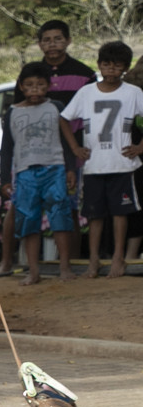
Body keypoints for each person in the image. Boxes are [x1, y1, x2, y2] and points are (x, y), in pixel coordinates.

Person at [61, 41, 143, 278]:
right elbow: (64, 118)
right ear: (98, 65)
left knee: (120, 213)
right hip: (93, 165)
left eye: (117, 66)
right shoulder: (86, 92)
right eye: (106, 64)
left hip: (122, 164)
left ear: (125, 68)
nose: (111, 70)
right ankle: (93, 261)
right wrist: (75, 147)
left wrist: (139, 147)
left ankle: (119, 258)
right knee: (94, 214)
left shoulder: (133, 93)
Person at [4, 62, 83, 285]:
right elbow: (7, 147)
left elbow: (67, 142)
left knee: (61, 216)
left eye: (40, 85)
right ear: (21, 86)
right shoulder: (13, 111)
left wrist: (70, 168)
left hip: (55, 167)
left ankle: (65, 266)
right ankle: (33, 270)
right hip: (25, 172)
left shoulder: (56, 107)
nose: (35, 90)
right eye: (29, 85)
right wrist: (4, 179)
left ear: (48, 86)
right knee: (29, 220)